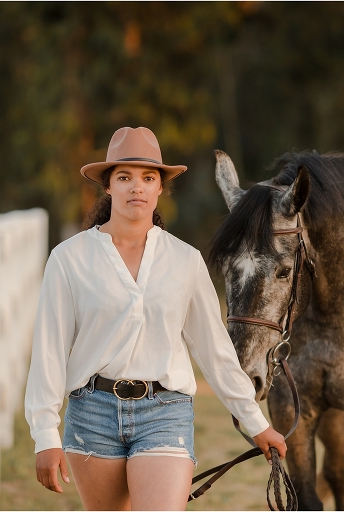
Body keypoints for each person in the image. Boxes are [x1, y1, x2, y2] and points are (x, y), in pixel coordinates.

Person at [25, 127, 286, 510]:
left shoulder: (185, 261)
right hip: (93, 411)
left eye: (148, 178)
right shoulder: (69, 259)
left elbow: (215, 352)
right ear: (108, 186)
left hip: (164, 412)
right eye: (125, 177)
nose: (137, 187)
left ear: (160, 188)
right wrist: (45, 434)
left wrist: (255, 421)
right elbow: (49, 350)